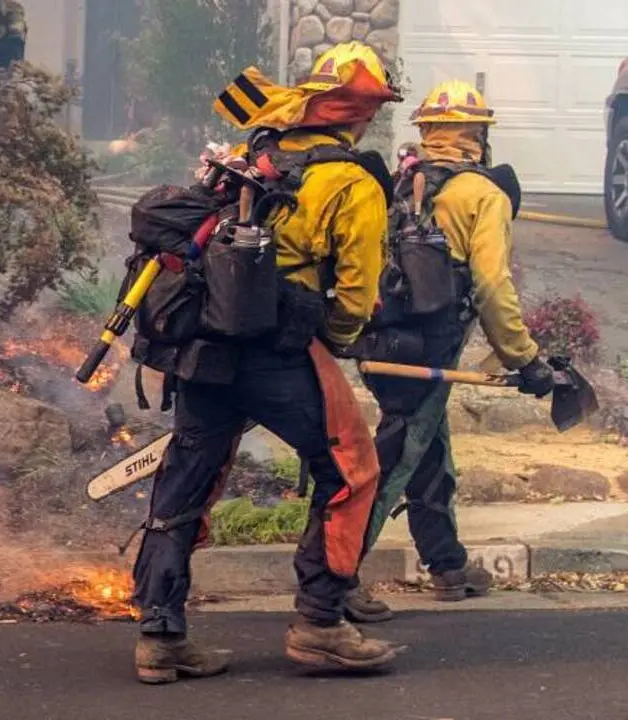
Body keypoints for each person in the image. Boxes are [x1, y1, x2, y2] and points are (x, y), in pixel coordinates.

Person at [130, 41, 403, 684]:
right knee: (352, 470)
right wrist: (334, 337)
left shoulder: (259, 152)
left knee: (187, 477)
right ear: (362, 115)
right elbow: (358, 293)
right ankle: (321, 625)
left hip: (205, 346)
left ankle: (160, 636)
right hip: (281, 350)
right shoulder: (355, 181)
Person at [343, 80, 554, 623]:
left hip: (384, 342)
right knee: (392, 461)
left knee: (428, 447)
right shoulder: (483, 195)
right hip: (429, 349)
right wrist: (523, 357)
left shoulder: (400, 183)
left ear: (428, 134)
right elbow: (491, 286)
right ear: (478, 136)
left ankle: (447, 564)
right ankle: (334, 578)